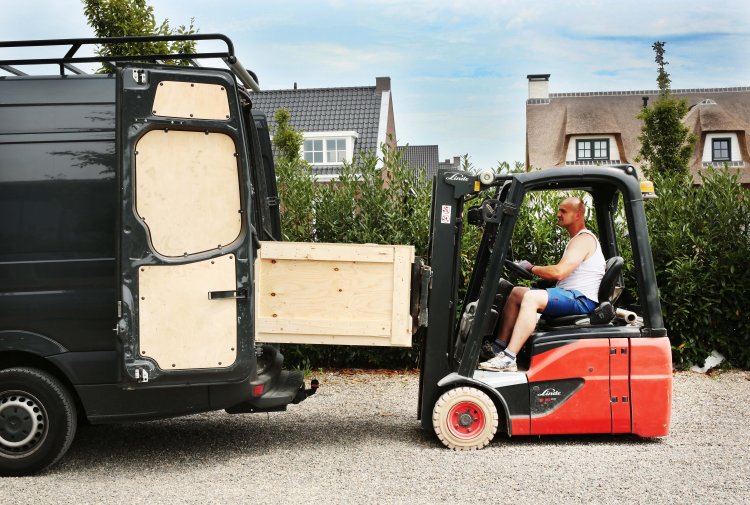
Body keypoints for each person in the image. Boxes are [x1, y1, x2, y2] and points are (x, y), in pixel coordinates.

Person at [479, 196, 605, 372]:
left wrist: (531, 268)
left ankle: (509, 358)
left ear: (578, 215)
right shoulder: (577, 239)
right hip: (571, 295)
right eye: (559, 210)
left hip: (580, 299)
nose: (558, 214)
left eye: (563, 211)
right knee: (516, 293)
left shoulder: (583, 240)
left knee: (531, 298)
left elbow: (559, 272)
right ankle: (499, 348)